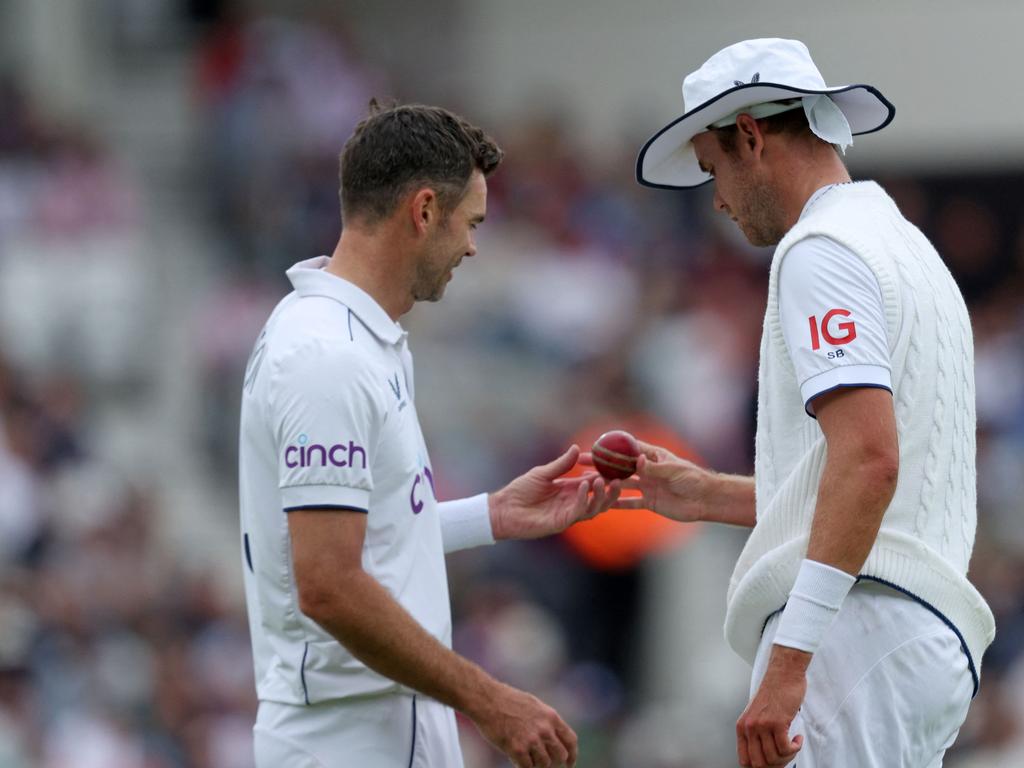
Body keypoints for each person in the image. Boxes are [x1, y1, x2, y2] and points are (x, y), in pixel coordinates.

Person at [625, 38, 997, 767]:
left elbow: (869, 463)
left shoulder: (820, 248)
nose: (721, 202)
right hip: (911, 634)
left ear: (752, 137)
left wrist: (791, 659)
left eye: (713, 171)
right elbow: (879, 475)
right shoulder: (907, 247)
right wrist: (710, 494)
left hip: (855, 631)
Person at [238, 100, 619, 768]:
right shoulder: (325, 356)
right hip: (341, 743)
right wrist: (490, 699)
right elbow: (327, 582)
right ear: (421, 212)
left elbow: (369, 534)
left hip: (390, 727)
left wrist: (493, 515)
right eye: (470, 223)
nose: (473, 246)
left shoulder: (363, 339)